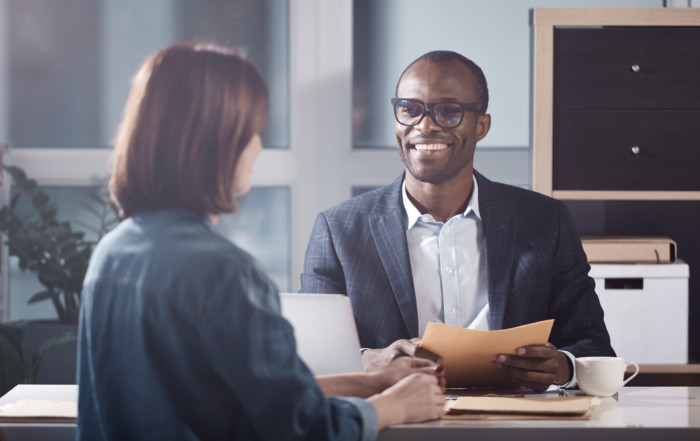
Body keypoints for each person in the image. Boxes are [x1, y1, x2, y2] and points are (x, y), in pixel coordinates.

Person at [76, 43, 446, 441]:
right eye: (251, 132)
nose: (258, 148)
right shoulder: (222, 272)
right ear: (213, 143)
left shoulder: (111, 254)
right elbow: (300, 428)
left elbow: (220, 398)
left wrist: (370, 383)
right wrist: (391, 407)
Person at [301, 50, 615, 392]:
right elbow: (312, 362)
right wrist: (365, 360)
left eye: (448, 111)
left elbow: (594, 347)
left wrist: (561, 367)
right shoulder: (339, 231)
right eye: (410, 109)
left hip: (512, 423)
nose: (424, 125)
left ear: (481, 126)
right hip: (398, 425)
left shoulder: (545, 221)